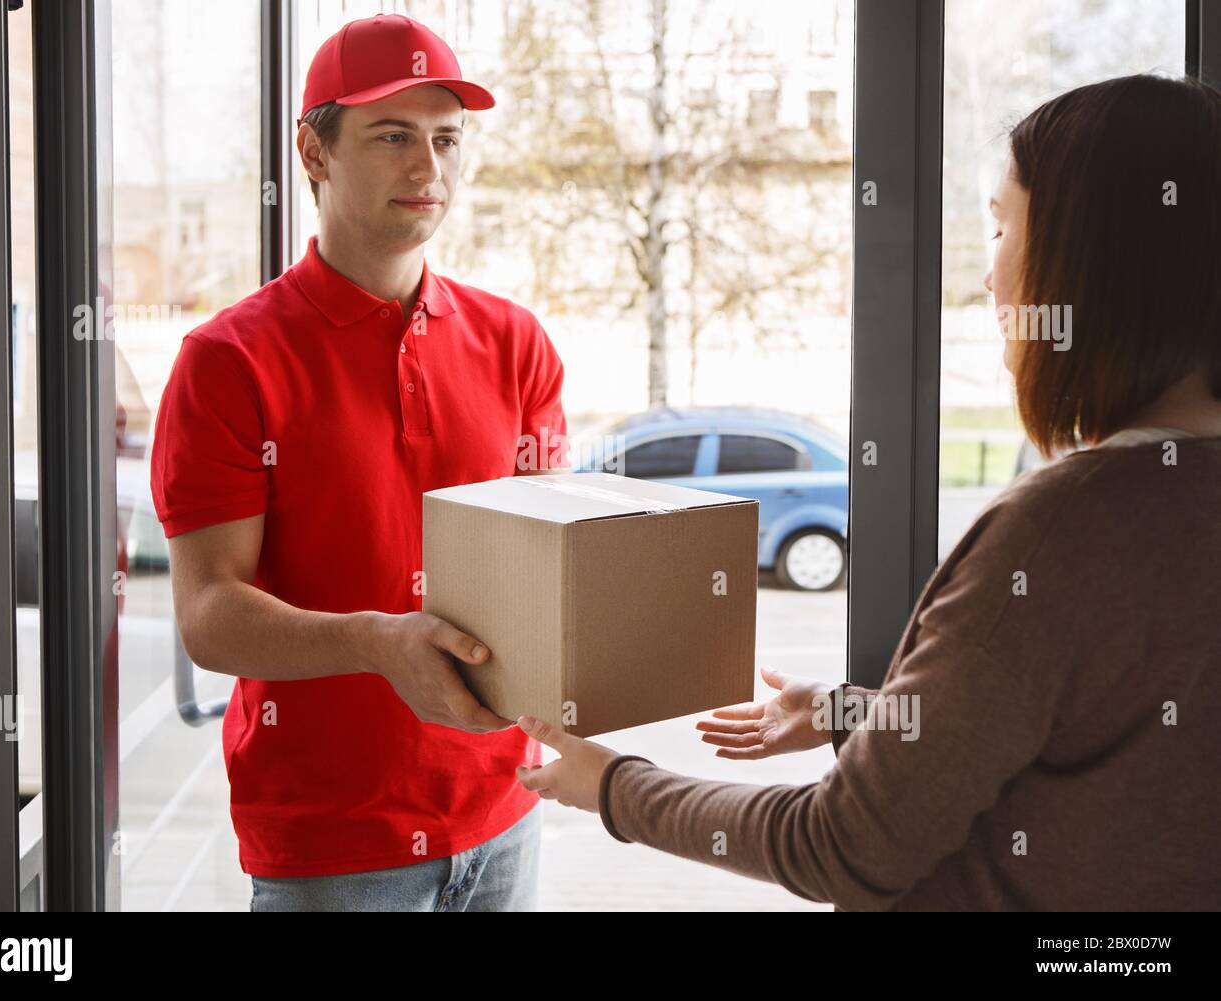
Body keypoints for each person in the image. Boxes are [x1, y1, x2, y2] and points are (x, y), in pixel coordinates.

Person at [516, 74, 1221, 910]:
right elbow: (1084, 730)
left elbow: (838, 846)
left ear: (1087, 259)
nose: (991, 281)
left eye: (1001, 227)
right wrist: (859, 713)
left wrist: (612, 786)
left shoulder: (1061, 529)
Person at [150, 14, 568, 912]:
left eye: (446, 139)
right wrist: (375, 643)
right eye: (392, 136)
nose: (430, 169)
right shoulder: (228, 361)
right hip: (333, 848)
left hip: (507, 812)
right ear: (314, 150)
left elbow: (547, 566)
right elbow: (207, 614)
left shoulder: (516, 342)